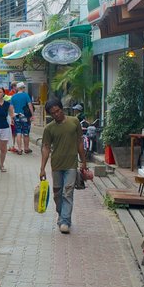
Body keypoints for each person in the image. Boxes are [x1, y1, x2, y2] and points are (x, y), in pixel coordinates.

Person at [39, 98, 89, 234]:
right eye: (53, 113)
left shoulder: (74, 122)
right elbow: (46, 147)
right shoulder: (49, 129)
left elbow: (79, 142)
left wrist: (83, 161)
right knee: (57, 193)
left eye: (58, 111)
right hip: (56, 165)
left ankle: (65, 221)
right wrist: (42, 168)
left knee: (67, 192)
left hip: (71, 164)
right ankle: (62, 216)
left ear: (62, 109)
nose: (56, 114)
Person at [10, 82, 35, 154]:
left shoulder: (14, 96)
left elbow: (11, 108)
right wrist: (32, 115)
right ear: (23, 88)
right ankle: (26, 148)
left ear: (17, 88)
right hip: (24, 116)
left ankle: (20, 149)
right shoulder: (26, 95)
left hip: (16, 116)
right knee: (26, 132)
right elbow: (30, 105)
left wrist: (12, 117)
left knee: (18, 132)